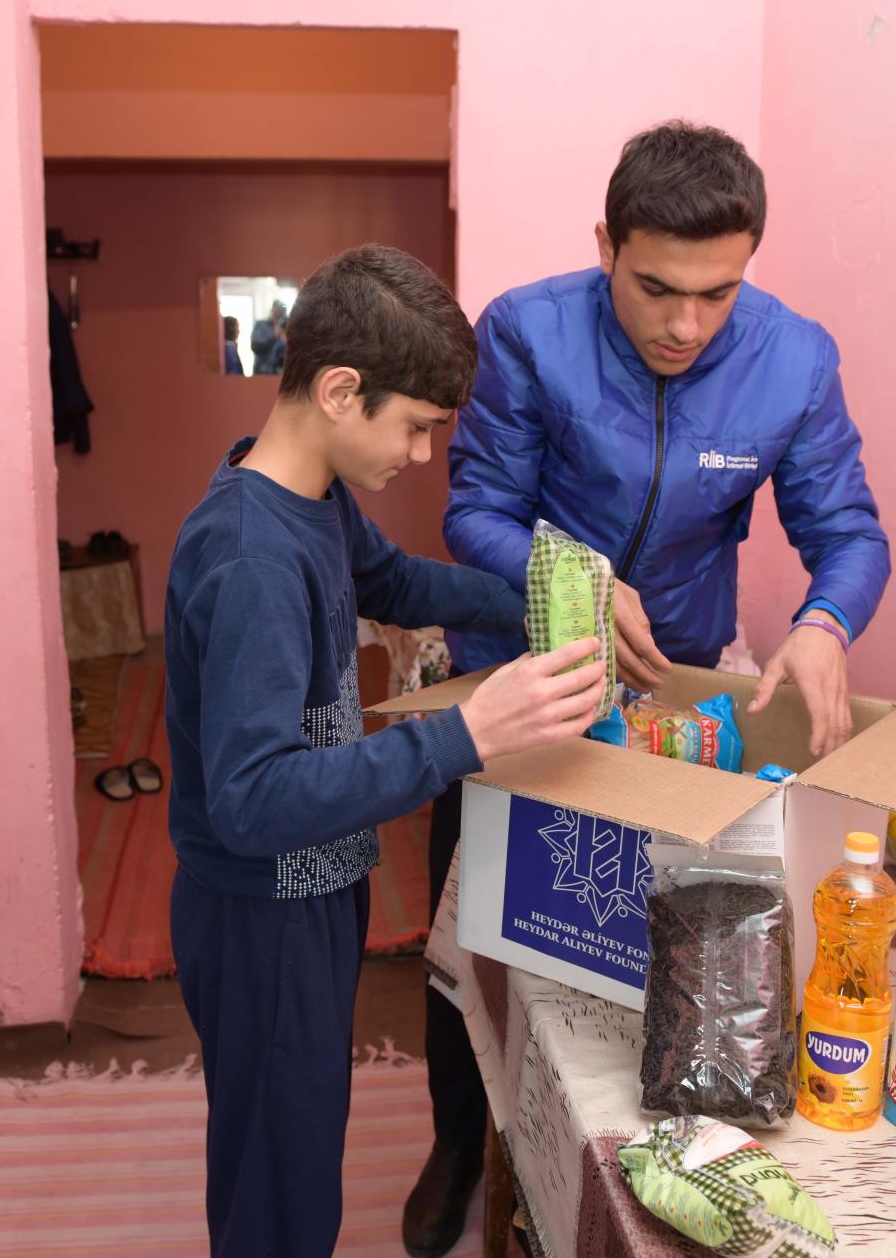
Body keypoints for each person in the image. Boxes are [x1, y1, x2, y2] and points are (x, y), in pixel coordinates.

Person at [404, 121, 892, 1256]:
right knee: (479, 920)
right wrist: (573, 572)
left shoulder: (794, 357)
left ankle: (616, 1139)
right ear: (604, 247)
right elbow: (471, 508)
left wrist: (825, 622)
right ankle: (453, 1135)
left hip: (675, 684)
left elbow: (849, 530)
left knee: (638, 928)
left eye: (718, 293)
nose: (685, 324)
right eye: (657, 288)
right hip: (518, 661)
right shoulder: (527, 330)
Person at [163, 244, 607, 1258]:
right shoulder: (248, 559)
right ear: (339, 389)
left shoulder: (311, 499)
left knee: (300, 1145)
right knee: (276, 1182)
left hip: (316, 884)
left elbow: (398, 582)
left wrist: (545, 598)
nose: (420, 453)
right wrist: (466, 735)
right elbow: (251, 796)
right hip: (260, 910)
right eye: (414, 426)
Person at [250, 298, 288, 374]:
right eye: (277, 310)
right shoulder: (261, 325)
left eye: (282, 311)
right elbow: (255, 346)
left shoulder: (286, 326)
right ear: (272, 310)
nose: (279, 313)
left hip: (281, 372)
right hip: (263, 371)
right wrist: (274, 336)